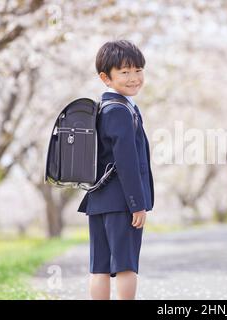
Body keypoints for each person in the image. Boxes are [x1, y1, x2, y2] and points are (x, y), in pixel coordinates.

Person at [78, 40, 154, 300]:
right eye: (125, 72)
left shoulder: (102, 109)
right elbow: (127, 162)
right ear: (105, 77)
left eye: (138, 70)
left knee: (99, 266)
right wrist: (137, 203)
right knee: (125, 264)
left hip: (98, 199)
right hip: (122, 201)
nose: (134, 78)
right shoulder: (120, 111)